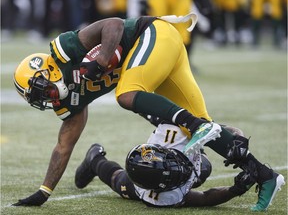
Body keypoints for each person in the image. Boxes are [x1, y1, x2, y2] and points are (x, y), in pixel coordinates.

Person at [12, 12, 284, 212]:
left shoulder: (64, 51)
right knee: (204, 129)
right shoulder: (68, 102)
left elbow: (113, 24)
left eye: (40, 89)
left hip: (153, 34)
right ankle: (264, 174)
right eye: (37, 98)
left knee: (126, 94)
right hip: (164, 53)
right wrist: (44, 191)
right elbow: (64, 145)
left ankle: (193, 123)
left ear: (45, 71)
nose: (46, 98)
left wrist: (103, 57)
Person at [73, 122, 275, 209]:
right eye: (173, 176)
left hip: (182, 150)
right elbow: (204, 198)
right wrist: (235, 190)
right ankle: (95, 159)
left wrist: (237, 139)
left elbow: (224, 130)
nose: (182, 173)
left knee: (204, 167)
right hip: (142, 186)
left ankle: (95, 159)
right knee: (120, 183)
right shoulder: (161, 197)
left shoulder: (171, 134)